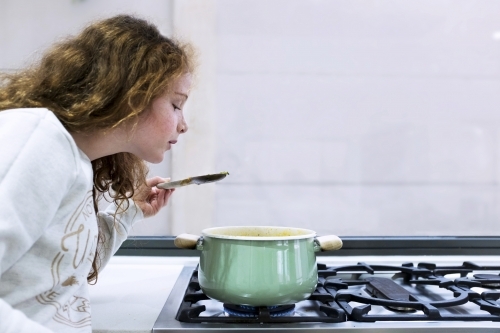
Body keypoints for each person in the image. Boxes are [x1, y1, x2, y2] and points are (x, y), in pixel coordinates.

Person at [0, 14, 195, 332]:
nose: (183, 124)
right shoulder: (38, 138)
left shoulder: (72, 159)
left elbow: (64, 268)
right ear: (134, 95)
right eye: (176, 105)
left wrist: (128, 213)